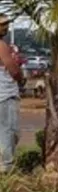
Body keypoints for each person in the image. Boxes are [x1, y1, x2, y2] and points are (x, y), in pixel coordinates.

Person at [0, 15, 24, 173]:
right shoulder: (1, 45)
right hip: (5, 93)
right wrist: (20, 78)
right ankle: (6, 166)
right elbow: (12, 68)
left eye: (6, 24)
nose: (5, 27)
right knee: (9, 130)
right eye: (2, 25)